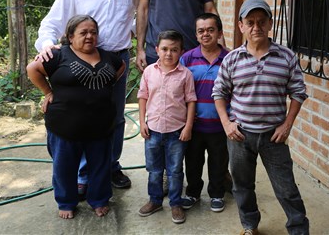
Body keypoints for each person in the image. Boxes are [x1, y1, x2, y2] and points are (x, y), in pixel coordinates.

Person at [34, 0, 135, 193]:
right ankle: (82, 174)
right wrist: (47, 46)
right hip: (81, 61)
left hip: (116, 61)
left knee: (114, 116)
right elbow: (52, 23)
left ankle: (110, 165)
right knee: (81, 116)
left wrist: (135, 33)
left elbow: (139, 19)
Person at [212, 0, 310, 235]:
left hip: (273, 136)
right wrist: (226, 124)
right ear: (241, 26)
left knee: (286, 188)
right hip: (240, 136)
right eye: (250, 22)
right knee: (242, 186)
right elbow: (219, 93)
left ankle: (299, 230)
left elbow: (298, 93)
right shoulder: (232, 59)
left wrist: (287, 125)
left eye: (261, 21)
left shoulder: (286, 57)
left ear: (269, 24)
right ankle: (249, 226)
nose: (256, 27)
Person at [27, 15, 126, 219]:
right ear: (70, 37)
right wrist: (48, 92)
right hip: (65, 127)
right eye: (83, 33)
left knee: (99, 166)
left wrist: (103, 89)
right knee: (64, 167)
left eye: (93, 32)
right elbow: (32, 69)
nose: (89, 36)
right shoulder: (57, 55)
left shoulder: (109, 57)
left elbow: (121, 67)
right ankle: (66, 202)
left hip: (101, 126)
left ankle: (99, 200)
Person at [137, 30, 197, 224]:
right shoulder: (149, 72)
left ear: (181, 51)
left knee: (175, 170)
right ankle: (154, 200)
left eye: (174, 50)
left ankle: (175, 203)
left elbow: (191, 101)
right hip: (153, 130)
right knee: (154, 170)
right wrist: (142, 122)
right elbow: (143, 96)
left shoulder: (185, 75)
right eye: (164, 49)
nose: (168, 54)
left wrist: (188, 126)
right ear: (157, 50)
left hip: (176, 132)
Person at [179, 13, 230, 213]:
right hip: (194, 124)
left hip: (219, 124)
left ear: (219, 33)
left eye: (210, 30)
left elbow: (235, 91)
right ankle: (192, 193)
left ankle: (217, 194)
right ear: (196, 34)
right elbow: (179, 90)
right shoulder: (187, 59)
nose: (205, 34)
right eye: (201, 31)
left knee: (218, 162)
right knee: (193, 161)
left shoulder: (229, 58)